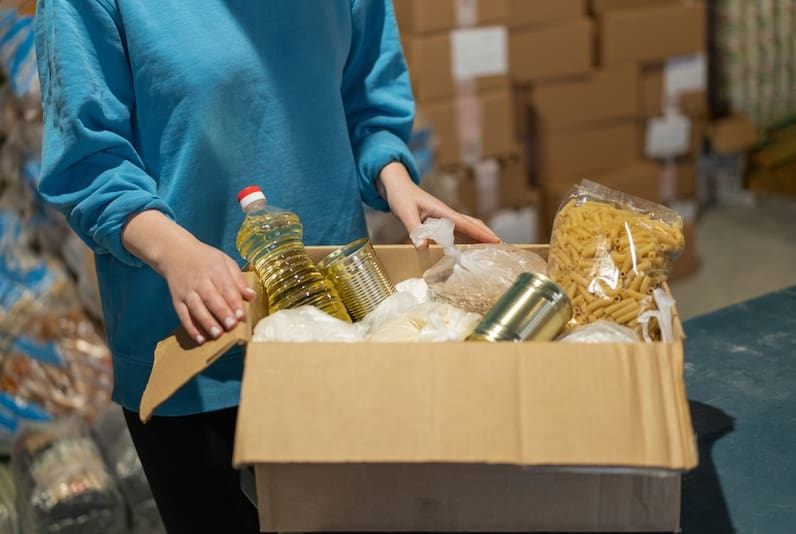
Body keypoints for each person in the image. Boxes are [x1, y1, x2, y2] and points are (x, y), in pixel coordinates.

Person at [35, 1, 499, 532]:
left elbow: (366, 96)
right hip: (195, 352)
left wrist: (394, 178)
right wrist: (175, 251)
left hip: (339, 330)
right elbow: (90, 159)